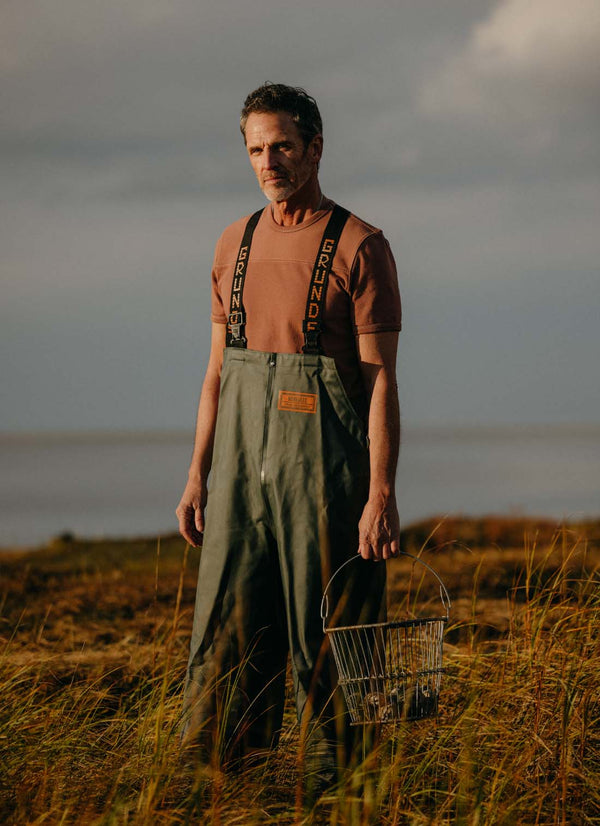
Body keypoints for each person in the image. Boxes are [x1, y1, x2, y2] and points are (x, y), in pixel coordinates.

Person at [176, 83, 402, 799]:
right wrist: (196, 475)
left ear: (314, 148)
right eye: (255, 149)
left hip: (328, 475)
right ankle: (222, 795)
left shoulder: (362, 246)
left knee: (334, 634)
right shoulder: (232, 243)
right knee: (226, 631)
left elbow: (381, 384)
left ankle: (344, 796)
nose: (267, 161)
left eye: (280, 146)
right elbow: (216, 374)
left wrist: (380, 494)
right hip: (240, 474)